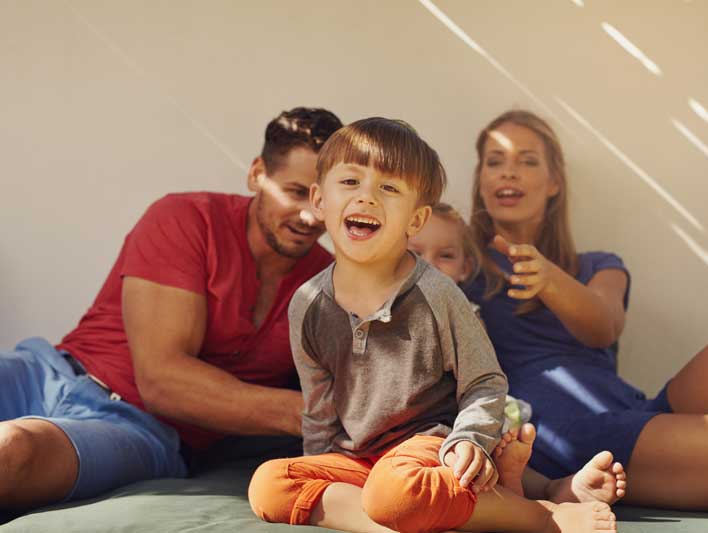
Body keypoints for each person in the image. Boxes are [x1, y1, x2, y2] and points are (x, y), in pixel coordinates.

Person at [248, 117, 619, 533]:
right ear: (319, 200)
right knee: (269, 484)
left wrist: (470, 440)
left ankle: (544, 516)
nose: (367, 198)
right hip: (356, 459)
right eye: (350, 182)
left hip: (425, 450)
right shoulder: (308, 304)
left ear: (415, 219)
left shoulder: (437, 295)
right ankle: (394, 522)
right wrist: (320, 467)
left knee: (398, 490)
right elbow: (318, 409)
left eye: (388, 189)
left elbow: (485, 382)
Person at [0, 107, 343, 512]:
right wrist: (307, 413)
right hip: (46, 371)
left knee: (11, 450)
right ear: (256, 174)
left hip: (138, 428)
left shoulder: (332, 288)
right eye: (296, 192)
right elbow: (163, 377)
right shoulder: (187, 218)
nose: (309, 215)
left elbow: (159, 396)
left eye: (323, 199)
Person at [463, 108, 708, 511]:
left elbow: (603, 327)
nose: (508, 172)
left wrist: (551, 280)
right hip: (569, 441)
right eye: (494, 161)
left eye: (527, 161)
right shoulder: (461, 268)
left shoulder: (599, 266)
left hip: (633, 414)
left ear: (554, 183)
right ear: (481, 182)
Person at [409, 201, 627, 505]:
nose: (430, 265)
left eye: (445, 256)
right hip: (414, 425)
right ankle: (513, 489)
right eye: (416, 255)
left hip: (463, 417)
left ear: (465, 269)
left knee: (501, 438)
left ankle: (548, 488)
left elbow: (481, 376)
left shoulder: (467, 315)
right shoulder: (382, 311)